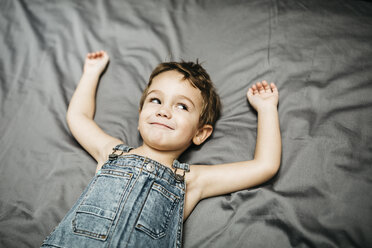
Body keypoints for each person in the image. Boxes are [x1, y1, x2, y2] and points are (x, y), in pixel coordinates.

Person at [41, 51, 281, 248]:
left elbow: (265, 166)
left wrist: (267, 109)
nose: (164, 111)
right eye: (155, 100)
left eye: (182, 106)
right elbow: (78, 117)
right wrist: (91, 73)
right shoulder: (112, 153)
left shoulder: (192, 180)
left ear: (200, 133)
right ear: (139, 116)